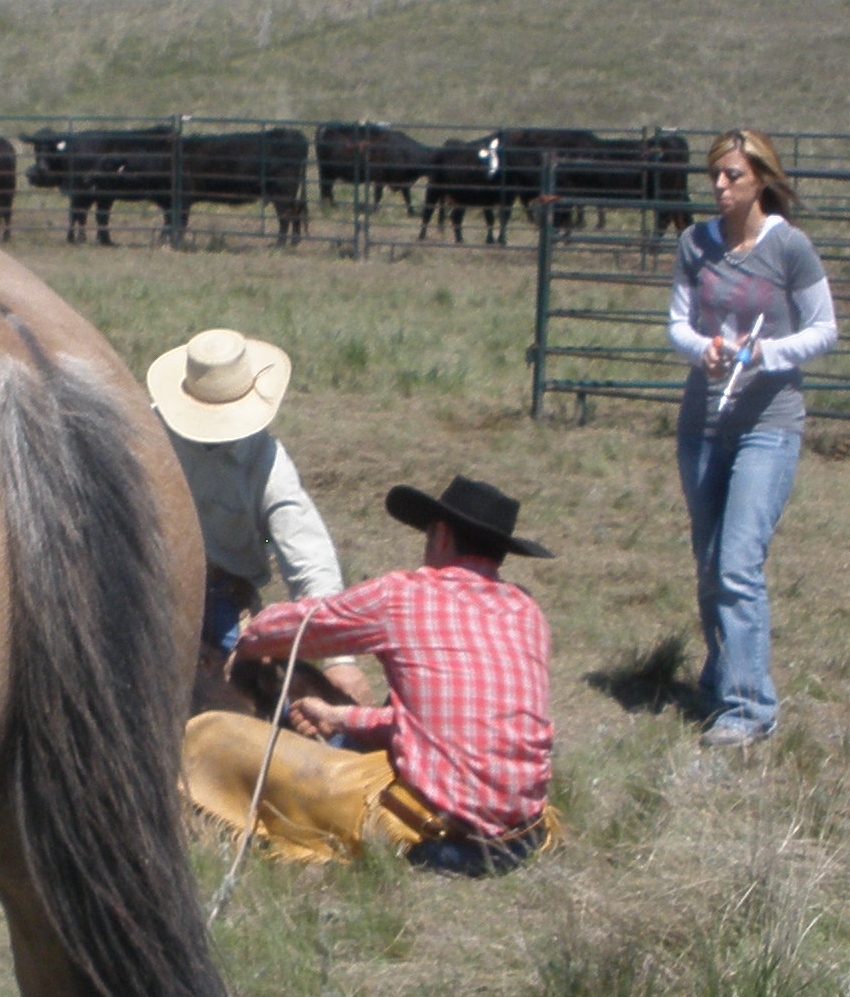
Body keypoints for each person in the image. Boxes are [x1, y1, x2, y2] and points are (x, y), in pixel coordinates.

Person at [188, 475, 554, 875]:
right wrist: (341, 717)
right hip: (521, 837)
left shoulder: (404, 595)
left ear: (443, 535)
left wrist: (250, 634)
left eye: (429, 535)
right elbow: (444, 724)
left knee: (213, 735)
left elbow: (289, 628)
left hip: (434, 836)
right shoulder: (527, 612)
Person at [669, 130, 836, 744]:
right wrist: (704, 350)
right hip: (703, 423)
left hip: (768, 424)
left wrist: (767, 353)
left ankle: (750, 708)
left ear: (761, 179)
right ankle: (723, 673)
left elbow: (824, 328)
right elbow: (678, 323)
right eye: (714, 174)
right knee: (710, 562)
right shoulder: (695, 243)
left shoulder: (789, 248)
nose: (720, 186)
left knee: (738, 562)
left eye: (733, 175)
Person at [145, 326, 374, 710]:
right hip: (151, 594)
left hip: (225, 600)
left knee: (293, 710)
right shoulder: (144, 437)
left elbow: (308, 556)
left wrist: (339, 659)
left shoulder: (265, 460)